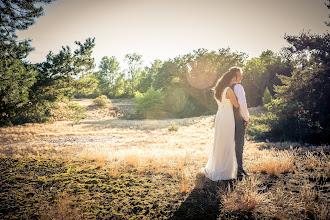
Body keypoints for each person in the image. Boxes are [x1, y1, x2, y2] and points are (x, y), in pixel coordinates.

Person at [201, 70, 240, 181]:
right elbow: (236, 105)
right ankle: (225, 170)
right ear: (228, 79)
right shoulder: (228, 90)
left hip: (219, 116)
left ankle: (217, 166)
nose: (234, 82)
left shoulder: (217, 90)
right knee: (227, 141)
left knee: (219, 142)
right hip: (227, 117)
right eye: (233, 79)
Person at [229, 67, 250, 176]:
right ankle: (239, 169)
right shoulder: (238, 87)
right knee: (239, 144)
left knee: (231, 144)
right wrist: (246, 118)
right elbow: (242, 103)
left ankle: (232, 167)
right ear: (235, 77)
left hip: (229, 119)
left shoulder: (228, 87)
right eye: (240, 75)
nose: (241, 77)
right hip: (238, 119)